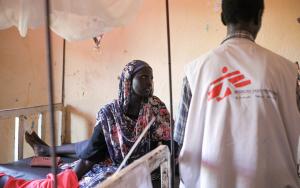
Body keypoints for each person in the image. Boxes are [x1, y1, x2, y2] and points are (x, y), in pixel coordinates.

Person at [175, 0, 300, 187]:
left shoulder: (195, 72)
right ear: (259, 18)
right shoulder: (288, 71)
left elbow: (181, 140)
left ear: (223, 18)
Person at [1, 60, 173, 188]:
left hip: (142, 164)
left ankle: (46, 150)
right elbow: (90, 158)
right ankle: (45, 150)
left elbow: (168, 142)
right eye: (143, 77)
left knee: (87, 146)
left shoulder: (156, 107)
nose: (149, 82)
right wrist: (64, 182)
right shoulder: (109, 114)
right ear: (128, 80)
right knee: (88, 150)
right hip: (107, 157)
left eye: (151, 77)